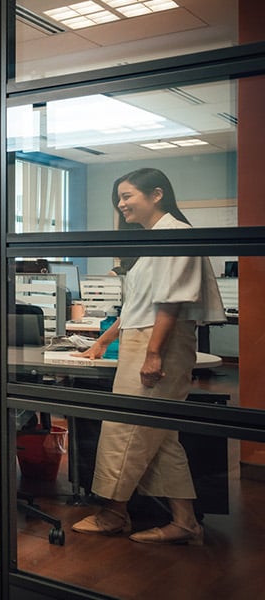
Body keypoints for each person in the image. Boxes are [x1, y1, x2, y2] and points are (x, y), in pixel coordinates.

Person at [70, 168, 225, 546]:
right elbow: (136, 305)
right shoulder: (154, 241)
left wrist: (153, 353)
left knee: (126, 429)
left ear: (156, 194)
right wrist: (103, 341)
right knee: (160, 437)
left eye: (127, 196)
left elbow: (170, 301)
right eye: (119, 198)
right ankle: (185, 521)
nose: (121, 204)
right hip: (143, 338)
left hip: (161, 343)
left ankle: (113, 513)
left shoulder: (176, 235)